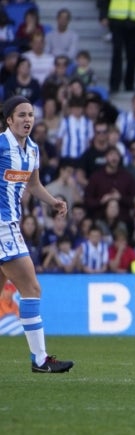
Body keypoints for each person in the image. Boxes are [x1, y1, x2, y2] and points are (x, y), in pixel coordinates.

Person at [0, 96, 73, 373]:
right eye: (21, 115)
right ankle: (40, 359)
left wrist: (52, 201)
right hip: (2, 225)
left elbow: (34, 184)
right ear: (9, 120)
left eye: (30, 114)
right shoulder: (1, 144)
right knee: (31, 288)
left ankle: (40, 359)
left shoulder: (32, 149)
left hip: (11, 223)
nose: (27, 119)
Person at [101, 0, 135, 94]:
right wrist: (103, 15)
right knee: (117, 53)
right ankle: (114, 85)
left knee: (133, 55)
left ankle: (129, 84)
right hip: (117, 19)